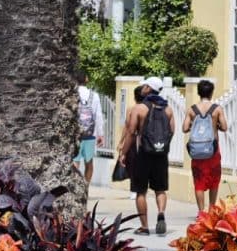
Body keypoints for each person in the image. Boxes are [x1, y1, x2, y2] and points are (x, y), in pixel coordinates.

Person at [116, 76, 171, 237]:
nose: (142, 88)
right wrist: (160, 145)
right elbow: (171, 131)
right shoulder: (167, 109)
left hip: (143, 154)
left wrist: (124, 153)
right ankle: (161, 213)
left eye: (144, 86)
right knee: (160, 189)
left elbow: (131, 133)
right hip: (161, 155)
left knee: (141, 191)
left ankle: (145, 226)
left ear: (148, 89)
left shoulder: (139, 109)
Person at [183, 78, 227, 213]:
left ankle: (201, 212)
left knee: (199, 182)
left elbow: (184, 128)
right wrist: (216, 125)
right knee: (214, 179)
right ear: (211, 92)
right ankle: (212, 210)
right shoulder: (217, 109)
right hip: (212, 150)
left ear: (199, 93)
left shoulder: (192, 110)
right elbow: (225, 127)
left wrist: (194, 125)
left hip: (197, 151)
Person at [75, 82, 105, 185]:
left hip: (75, 136)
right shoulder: (94, 95)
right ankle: (86, 187)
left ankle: (74, 188)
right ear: (86, 80)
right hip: (90, 135)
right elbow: (98, 115)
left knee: (75, 161)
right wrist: (100, 134)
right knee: (89, 162)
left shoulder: (72, 94)